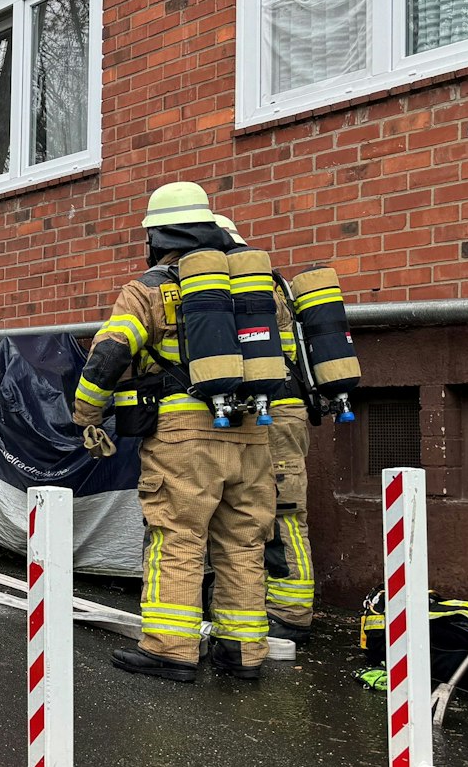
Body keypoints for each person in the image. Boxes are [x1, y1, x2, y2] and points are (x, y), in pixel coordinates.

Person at [72, 183, 275, 681]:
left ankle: (171, 648)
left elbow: (110, 355)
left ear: (156, 236)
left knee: (178, 536)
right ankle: (243, 653)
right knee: (244, 542)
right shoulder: (255, 288)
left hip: (184, 436)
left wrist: (86, 414)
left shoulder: (149, 289)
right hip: (253, 429)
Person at [214, 215, 316, 646]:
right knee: (269, 512)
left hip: (272, 416)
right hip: (281, 412)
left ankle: (291, 610)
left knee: (284, 514)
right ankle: (273, 603)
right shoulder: (271, 284)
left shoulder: (247, 287)